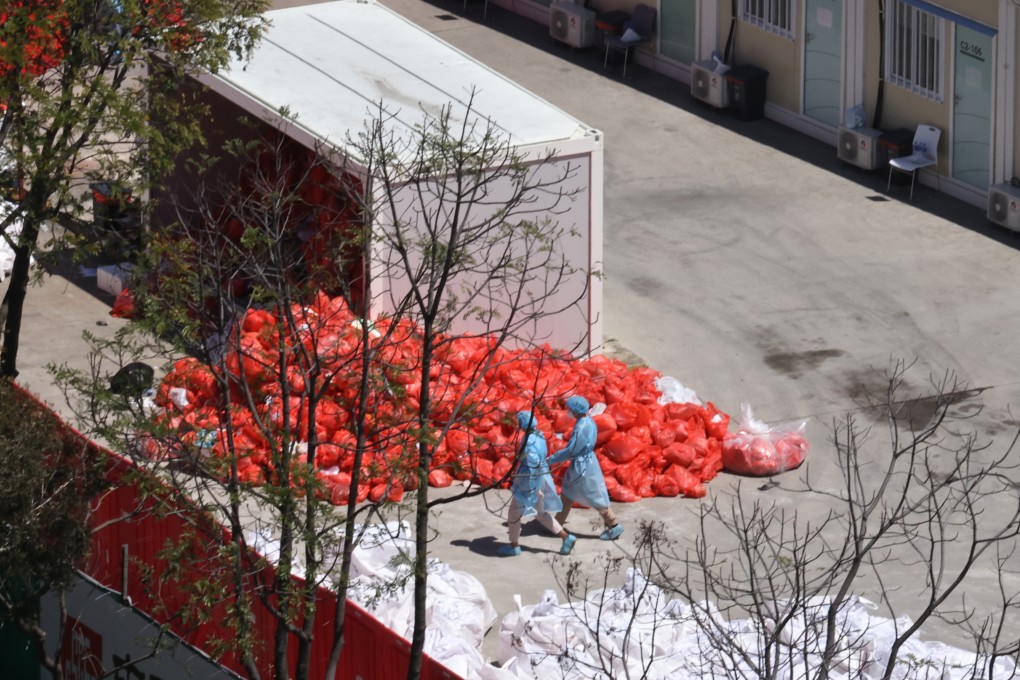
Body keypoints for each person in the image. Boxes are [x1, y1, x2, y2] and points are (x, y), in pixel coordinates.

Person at [497, 411, 577, 557]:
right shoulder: (539, 435)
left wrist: (527, 479)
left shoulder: (528, 440)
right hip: (538, 479)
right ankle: (566, 537)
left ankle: (513, 546)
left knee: (514, 513)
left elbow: (532, 462)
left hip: (529, 481)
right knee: (541, 514)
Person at [548, 395, 624, 541]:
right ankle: (557, 524)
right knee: (568, 492)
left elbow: (571, 450)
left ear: (576, 410)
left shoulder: (581, 426)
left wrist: (553, 459)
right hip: (586, 462)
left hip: (582, 466)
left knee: (593, 495)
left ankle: (614, 524)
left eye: (570, 409)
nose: (568, 412)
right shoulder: (588, 421)